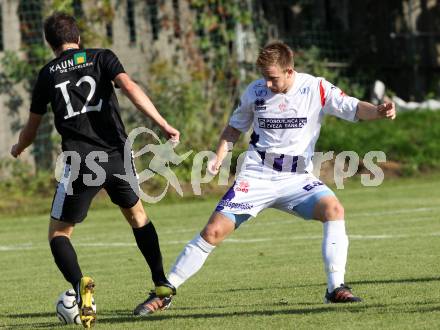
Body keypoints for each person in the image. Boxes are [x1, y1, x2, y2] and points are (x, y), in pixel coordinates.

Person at [134, 41, 397, 314]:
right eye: (264, 77)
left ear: (290, 70)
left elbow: (353, 108)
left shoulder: (315, 88)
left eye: (273, 78)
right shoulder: (255, 91)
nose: (268, 85)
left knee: (334, 209)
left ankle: (336, 288)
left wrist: (378, 111)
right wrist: (220, 154)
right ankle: (165, 291)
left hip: (297, 178)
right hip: (258, 175)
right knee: (212, 232)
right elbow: (234, 128)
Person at [10, 12, 178, 328]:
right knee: (138, 216)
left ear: (50, 43)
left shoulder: (48, 74)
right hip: (116, 155)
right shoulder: (102, 57)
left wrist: (18, 148)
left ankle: (79, 285)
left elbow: (31, 129)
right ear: (78, 37)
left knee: (59, 233)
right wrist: (163, 123)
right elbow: (129, 87)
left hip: (79, 160)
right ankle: (160, 282)